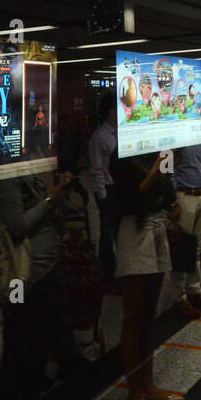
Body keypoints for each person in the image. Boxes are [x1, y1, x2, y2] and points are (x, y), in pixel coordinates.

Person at [0, 171, 74, 400]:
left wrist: (55, 195)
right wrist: (50, 199)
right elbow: (16, 227)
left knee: (38, 350)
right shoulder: (6, 178)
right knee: (16, 352)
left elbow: (51, 220)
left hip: (45, 275)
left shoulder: (33, 172)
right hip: (19, 281)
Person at [111, 151, 179, 400]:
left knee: (149, 315)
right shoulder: (121, 154)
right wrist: (153, 172)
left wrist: (170, 200)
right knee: (134, 316)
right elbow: (123, 200)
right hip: (133, 228)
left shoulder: (158, 148)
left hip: (157, 224)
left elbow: (167, 186)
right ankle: (134, 395)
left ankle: (148, 384)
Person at [171, 130, 201, 318]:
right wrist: (173, 201)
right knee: (182, 249)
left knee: (197, 248)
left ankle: (194, 290)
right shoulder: (173, 138)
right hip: (184, 196)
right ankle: (179, 297)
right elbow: (169, 170)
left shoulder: (197, 137)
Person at [88, 104, 118, 278]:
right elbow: (97, 168)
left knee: (119, 230)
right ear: (110, 111)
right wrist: (102, 196)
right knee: (107, 232)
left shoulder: (121, 133)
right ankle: (107, 273)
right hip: (107, 188)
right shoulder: (99, 137)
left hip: (119, 187)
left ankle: (118, 269)